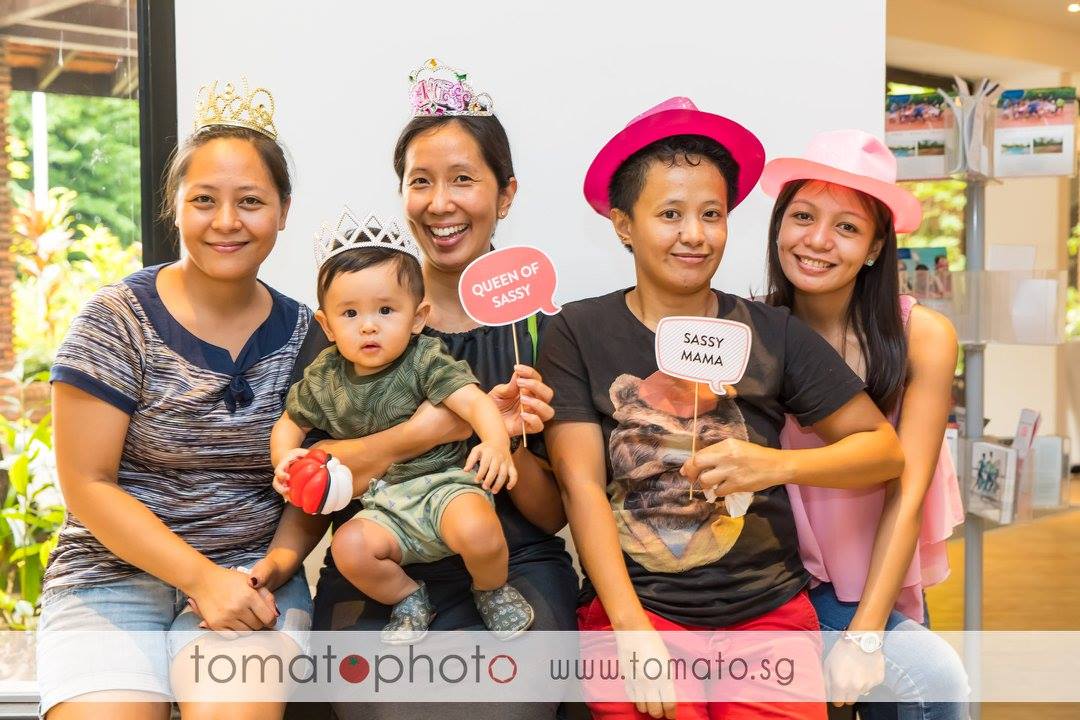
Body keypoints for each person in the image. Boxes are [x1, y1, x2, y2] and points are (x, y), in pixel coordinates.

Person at [540, 97, 905, 720]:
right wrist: (631, 631)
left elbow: (883, 451)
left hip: (769, 616)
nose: (695, 234)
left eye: (711, 214)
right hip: (639, 611)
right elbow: (581, 486)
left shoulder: (772, 331)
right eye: (670, 214)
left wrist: (776, 466)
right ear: (624, 224)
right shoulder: (577, 330)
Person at [253, 59, 578, 720]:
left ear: (506, 194)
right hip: (379, 563)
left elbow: (550, 516)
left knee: (507, 708)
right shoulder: (351, 326)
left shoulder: (540, 334)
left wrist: (507, 439)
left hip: (509, 563)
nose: (440, 203)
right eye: (420, 181)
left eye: (464, 179)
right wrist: (435, 429)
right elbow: (316, 477)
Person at [37, 79, 313, 719]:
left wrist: (269, 571)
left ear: (283, 210)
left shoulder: (312, 335)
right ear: (176, 206)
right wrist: (199, 579)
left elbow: (316, 482)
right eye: (204, 200)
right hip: (108, 579)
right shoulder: (116, 319)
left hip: (251, 578)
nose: (226, 221)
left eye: (250, 201)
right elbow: (86, 483)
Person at [761, 129, 968, 718]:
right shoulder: (749, 329)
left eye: (847, 227)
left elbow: (908, 491)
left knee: (930, 686)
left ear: (876, 246)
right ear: (779, 224)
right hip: (784, 587)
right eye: (803, 216)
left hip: (880, 584)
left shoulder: (921, 336)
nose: (817, 240)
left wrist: (867, 635)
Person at [269, 212, 534, 643]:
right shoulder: (323, 377)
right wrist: (285, 459)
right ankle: (409, 597)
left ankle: (490, 589)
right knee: (349, 549)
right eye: (350, 313)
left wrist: (496, 443)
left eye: (386, 310)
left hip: (445, 486)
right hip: (382, 503)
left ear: (417, 316)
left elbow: (474, 402)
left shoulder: (425, 358)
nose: (368, 325)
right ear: (327, 326)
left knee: (479, 531)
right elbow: (289, 424)